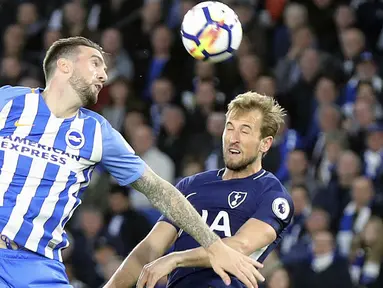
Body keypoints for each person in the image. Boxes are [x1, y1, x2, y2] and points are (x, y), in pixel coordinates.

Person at [0, 37, 263, 288]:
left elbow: (160, 192)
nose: (104, 75)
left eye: (105, 68)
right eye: (95, 63)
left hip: (37, 264)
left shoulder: (98, 133)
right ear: (64, 65)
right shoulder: (8, 102)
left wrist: (214, 247)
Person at [105, 92, 295, 288]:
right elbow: (149, 249)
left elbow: (240, 246)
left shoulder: (273, 195)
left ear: (265, 143)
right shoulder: (192, 186)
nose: (233, 138)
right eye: (229, 128)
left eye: (245, 131)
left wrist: (175, 258)